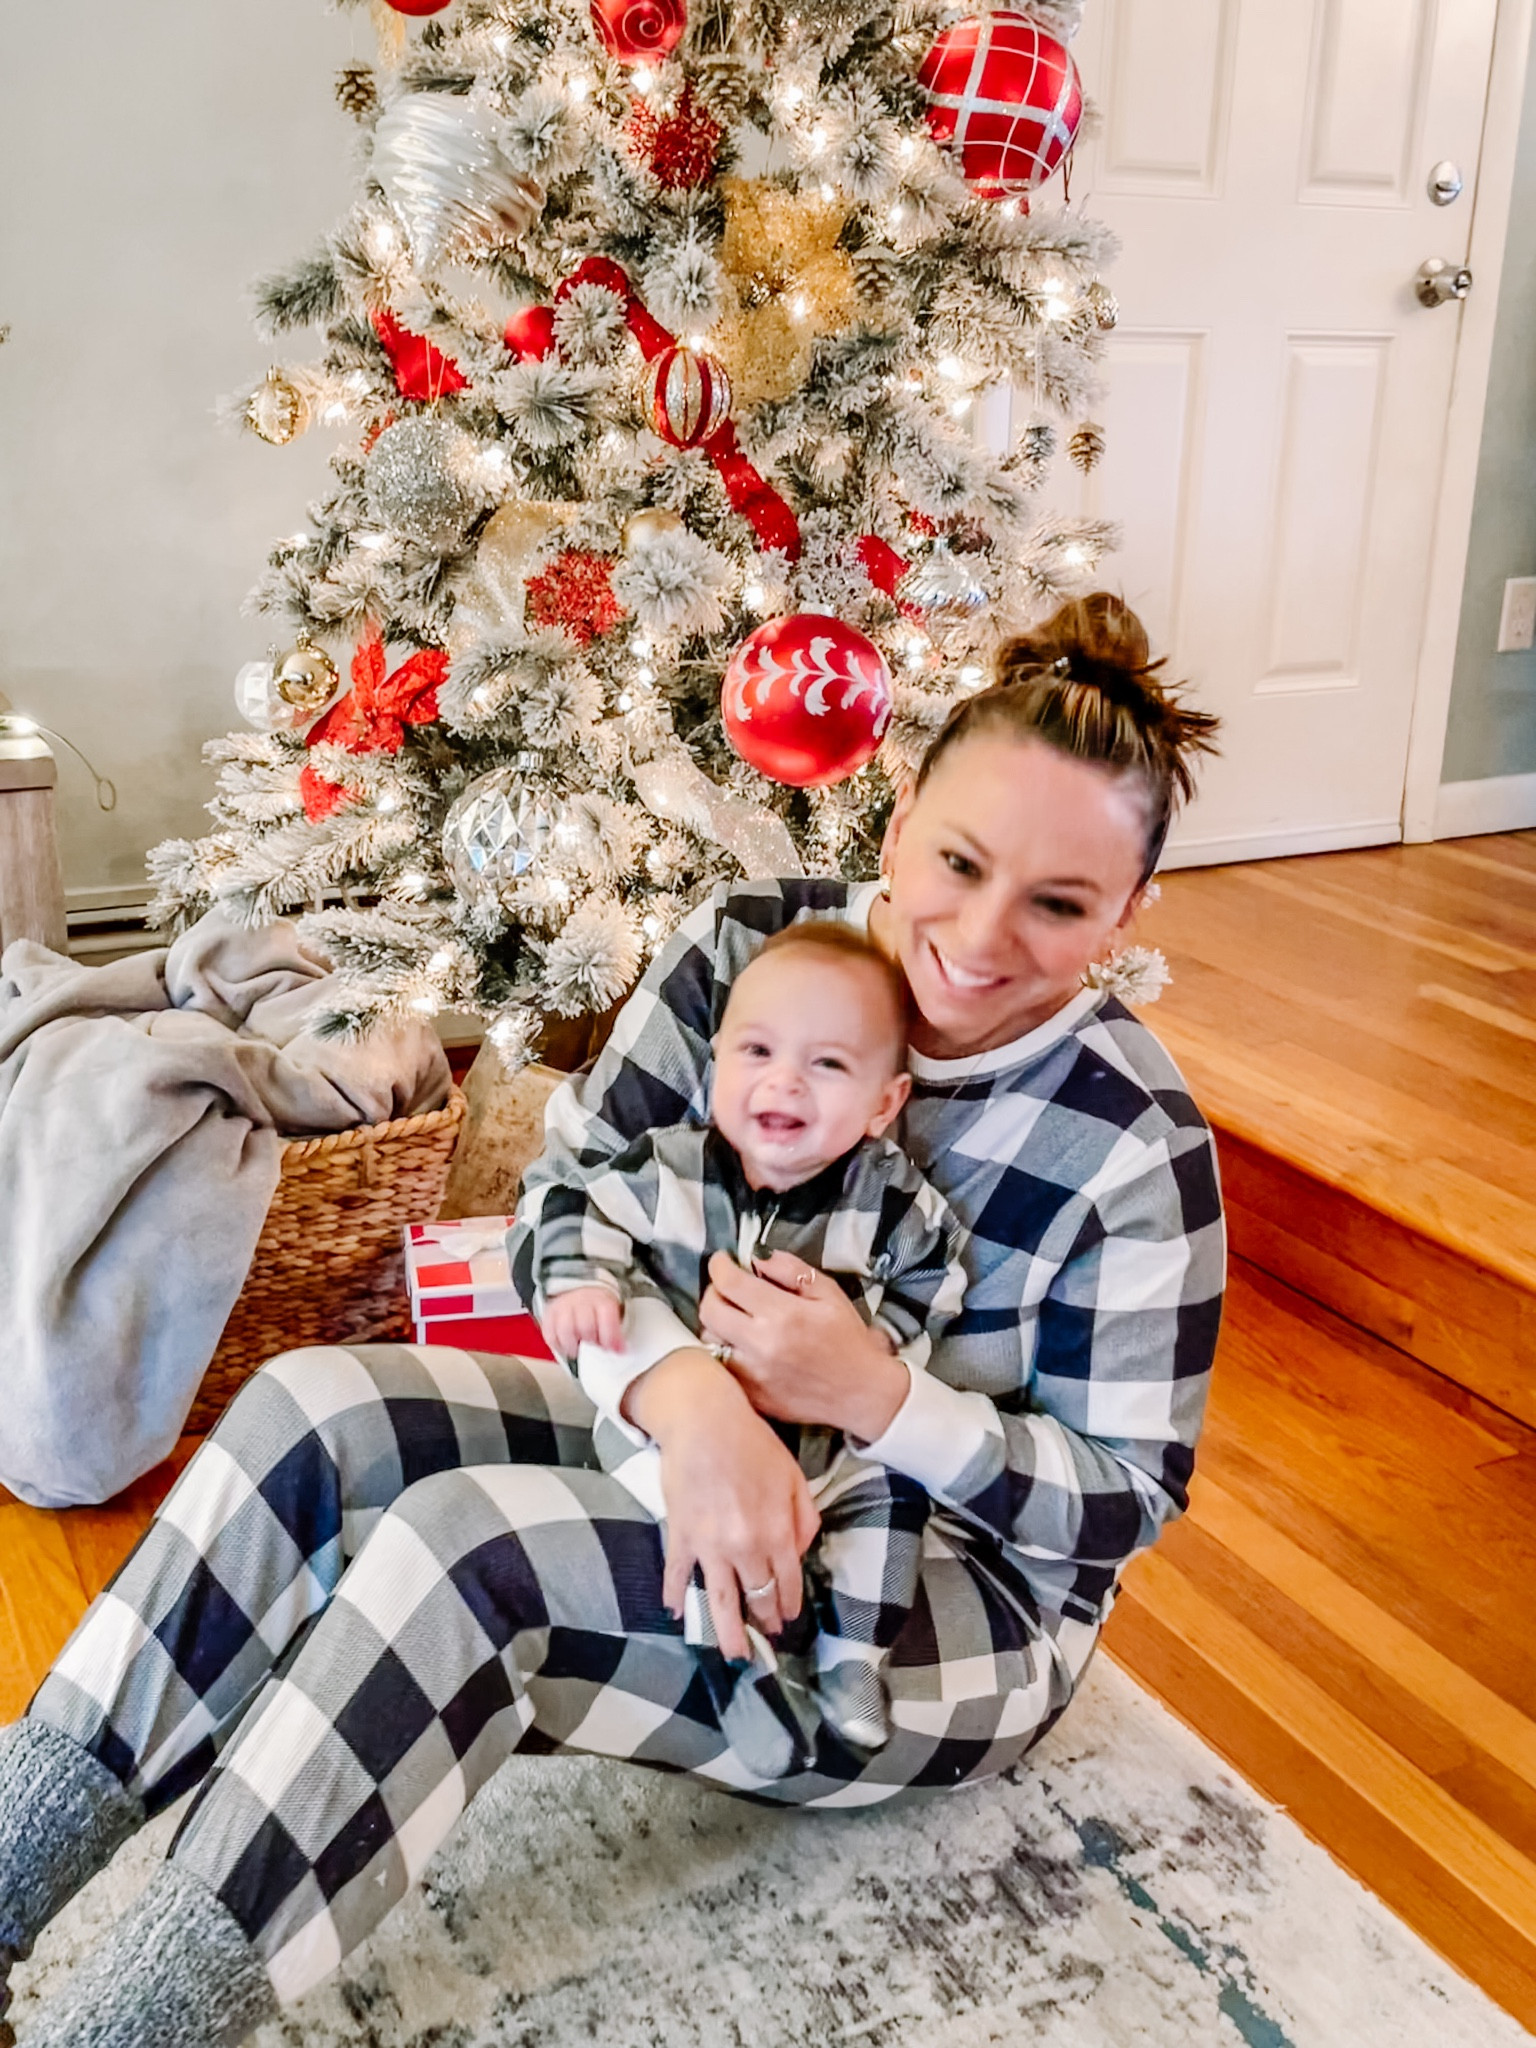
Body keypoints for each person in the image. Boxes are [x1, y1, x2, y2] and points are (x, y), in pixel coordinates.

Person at [0, 594, 1225, 2048]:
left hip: (926, 1600)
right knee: (317, 1407)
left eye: (1061, 905)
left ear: (1128, 913)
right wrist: (689, 1398)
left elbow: (1123, 1500)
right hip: (687, 1445)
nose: (978, 935)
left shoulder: (1135, 1143)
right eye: (957, 862)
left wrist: (878, 1397)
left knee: (467, 1555)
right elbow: (566, 1200)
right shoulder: (750, 944)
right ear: (899, 818)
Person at [515, 921, 969, 1778]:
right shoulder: (672, 1169)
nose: (783, 1080)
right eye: (756, 1051)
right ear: (718, 1063)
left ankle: (853, 1663)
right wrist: (581, 1279)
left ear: (884, 1104)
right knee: (687, 1517)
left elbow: (935, 1279)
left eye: (828, 1064)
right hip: (685, 1442)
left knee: (893, 1501)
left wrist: (875, 1348)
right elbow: (581, 1206)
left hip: (828, 1447)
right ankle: (737, 1662)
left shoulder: (892, 1205)